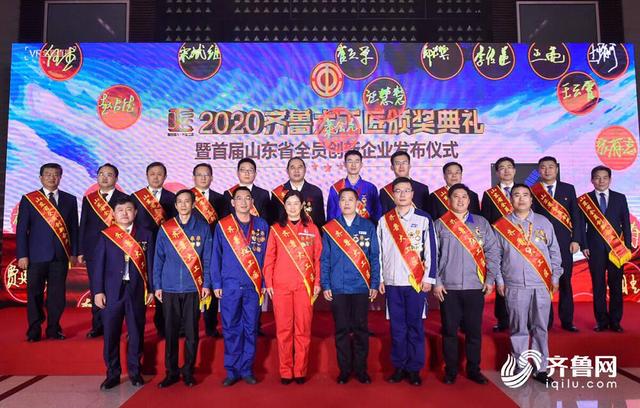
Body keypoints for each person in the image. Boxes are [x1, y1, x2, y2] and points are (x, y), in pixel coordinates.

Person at [493, 184, 563, 385]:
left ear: (531, 200)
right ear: (511, 200)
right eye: (516, 195)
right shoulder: (501, 225)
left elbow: (554, 252)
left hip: (541, 284)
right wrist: (499, 280)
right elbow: (495, 257)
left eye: (525, 195)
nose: (521, 199)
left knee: (541, 327)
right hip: (514, 284)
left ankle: (541, 369)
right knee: (518, 328)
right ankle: (521, 367)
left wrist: (555, 277)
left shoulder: (544, 222)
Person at [434, 183, 500, 385]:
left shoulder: (481, 223)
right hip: (448, 288)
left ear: (470, 200)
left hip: (475, 286)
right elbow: (431, 256)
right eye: (456, 196)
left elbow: (493, 252)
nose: (460, 200)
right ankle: (451, 370)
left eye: (464, 196)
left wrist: (490, 279)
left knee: (473, 331)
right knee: (449, 331)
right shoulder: (440, 224)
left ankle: (473, 369)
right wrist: (437, 282)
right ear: (449, 200)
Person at [377, 177, 436, 386]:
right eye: (398, 191)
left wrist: (429, 278)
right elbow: (379, 252)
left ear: (412, 194)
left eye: (406, 191)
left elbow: (431, 250)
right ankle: (399, 366)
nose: (402, 195)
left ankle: (414, 369)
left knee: (415, 327)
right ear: (393, 194)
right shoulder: (385, 220)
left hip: (415, 283)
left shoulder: (424, 218)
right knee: (397, 328)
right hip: (392, 283)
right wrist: (380, 278)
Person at [92, 196, 154, 390]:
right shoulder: (106, 235)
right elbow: (98, 266)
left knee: (136, 332)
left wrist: (151, 288)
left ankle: (135, 372)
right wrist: (98, 291)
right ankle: (113, 374)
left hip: (136, 290)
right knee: (111, 334)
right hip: (111, 292)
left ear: (135, 212)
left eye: (128, 209)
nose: (125, 213)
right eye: (120, 210)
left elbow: (151, 264)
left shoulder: (146, 234)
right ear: (114, 213)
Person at [153, 189, 212, 388]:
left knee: (192, 333)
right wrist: (157, 285)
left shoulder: (202, 227)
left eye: (187, 201)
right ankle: (171, 372)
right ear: (175, 205)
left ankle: (188, 371)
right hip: (169, 288)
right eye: (180, 201)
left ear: (193, 204)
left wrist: (207, 284)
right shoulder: (166, 228)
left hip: (192, 288)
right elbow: (158, 259)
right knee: (170, 333)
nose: (184, 205)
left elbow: (207, 259)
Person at [321, 187, 380, 385]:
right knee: (342, 330)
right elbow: (325, 259)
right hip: (338, 287)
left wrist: (374, 283)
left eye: (350, 199)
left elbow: (374, 257)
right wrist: (326, 284)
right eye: (343, 200)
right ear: (339, 204)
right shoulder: (331, 228)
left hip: (361, 286)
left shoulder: (368, 226)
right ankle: (344, 371)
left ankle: (361, 370)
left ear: (358, 203)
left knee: (361, 329)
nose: (347, 203)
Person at [212, 186, 269, 386]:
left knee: (250, 328)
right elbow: (216, 255)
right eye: (239, 198)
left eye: (247, 198)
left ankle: (246, 369)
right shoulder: (223, 226)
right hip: (230, 285)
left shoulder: (262, 224)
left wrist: (265, 282)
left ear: (252, 202)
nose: (244, 202)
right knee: (230, 328)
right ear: (232, 202)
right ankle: (232, 370)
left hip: (253, 285)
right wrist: (216, 282)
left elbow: (267, 257)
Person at [264, 190, 322, 384]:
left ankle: (300, 370)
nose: (292, 207)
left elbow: (318, 258)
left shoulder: (312, 229)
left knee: (303, 329)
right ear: (284, 206)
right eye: (289, 203)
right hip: (281, 286)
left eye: (296, 203)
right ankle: (286, 371)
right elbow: (269, 258)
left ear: (302, 205)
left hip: (305, 286)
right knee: (284, 330)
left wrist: (317, 282)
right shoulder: (276, 229)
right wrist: (269, 282)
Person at [17, 163, 78, 342]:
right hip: (35, 257)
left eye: (55, 174)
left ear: (60, 177)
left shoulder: (69, 200)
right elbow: (22, 230)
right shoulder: (30, 199)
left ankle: (54, 328)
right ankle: (34, 330)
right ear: (41, 177)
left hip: (60, 257)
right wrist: (22, 255)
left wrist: (74, 253)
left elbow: (74, 229)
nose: (52, 177)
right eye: (48, 174)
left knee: (57, 296)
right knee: (34, 294)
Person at [531, 156, 584, 331]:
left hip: (564, 244)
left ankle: (567, 321)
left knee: (565, 283)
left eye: (551, 167)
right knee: (544, 283)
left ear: (557, 169)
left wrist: (576, 239)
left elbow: (576, 215)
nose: (547, 170)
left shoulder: (568, 189)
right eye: (543, 167)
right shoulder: (533, 190)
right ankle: (545, 321)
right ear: (539, 170)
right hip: (541, 245)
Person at [79, 163, 129, 338]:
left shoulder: (125, 199)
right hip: (94, 251)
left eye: (109, 174)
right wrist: (80, 250)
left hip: (118, 250)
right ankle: (98, 326)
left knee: (119, 289)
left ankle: (117, 325)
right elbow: (83, 225)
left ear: (116, 178)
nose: (105, 177)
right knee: (97, 287)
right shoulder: (89, 199)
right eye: (101, 174)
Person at [579, 166, 632, 332]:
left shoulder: (620, 198)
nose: (601, 181)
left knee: (616, 285)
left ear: (610, 179)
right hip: (594, 249)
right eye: (597, 177)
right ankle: (601, 321)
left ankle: (615, 321)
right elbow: (581, 226)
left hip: (617, 249)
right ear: (592, 180)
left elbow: (626, 223)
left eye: (604, 177)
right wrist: (584, 246)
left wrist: (627, 246)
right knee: (598, 286)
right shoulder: (585, 200)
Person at [131, 161, 176, 338]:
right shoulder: (136, 197)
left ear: (165, 177)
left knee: (161, 288)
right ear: (147, 176)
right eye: (152, 174)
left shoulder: (172, 198)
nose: (156, 177)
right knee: (140, 288)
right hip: (141, 249)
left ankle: (163, 327)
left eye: (159, 174)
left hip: (165, 249)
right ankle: (136, 330)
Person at [480, 156, 515, 332]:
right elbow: (485, 221)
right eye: (502, 168)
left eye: (509, 167)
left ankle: (522, 318)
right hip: (498, 244)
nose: (506, 171)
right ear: (496, 172)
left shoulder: (524, 191)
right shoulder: (489, 195)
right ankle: (503, 319)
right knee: (501, 279)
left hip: (521, 244)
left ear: (514, 170)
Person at [191, 163, 225, 338]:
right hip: (190, 250)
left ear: (212, 177)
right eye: (199, 174)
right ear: (193, 177)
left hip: (214, 249)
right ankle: (189, 327)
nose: (203, 178)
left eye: (206, 175)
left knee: (210, 285)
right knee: (191, 289)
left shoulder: (220, 199)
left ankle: (211, 326)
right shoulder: (186, 197)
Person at [327, 150, 382, 223]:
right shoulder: (335, 188)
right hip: (341, 228)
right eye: (350, 161)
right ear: (345, 164)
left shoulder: (370, 188)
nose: (353, 165)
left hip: (365, 228)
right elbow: (331, 215)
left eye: (357, 161)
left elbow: (377, 214)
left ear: (361, 164)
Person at [270, 157, 326, 228]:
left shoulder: (316, 192)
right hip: (284, 233)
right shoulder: (278, 193)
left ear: (305, 170)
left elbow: (320, 221)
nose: (296, 171)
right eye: (292, 167)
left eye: (300, 167)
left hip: (310, 234)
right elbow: (273, 221)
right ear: (287, 171)